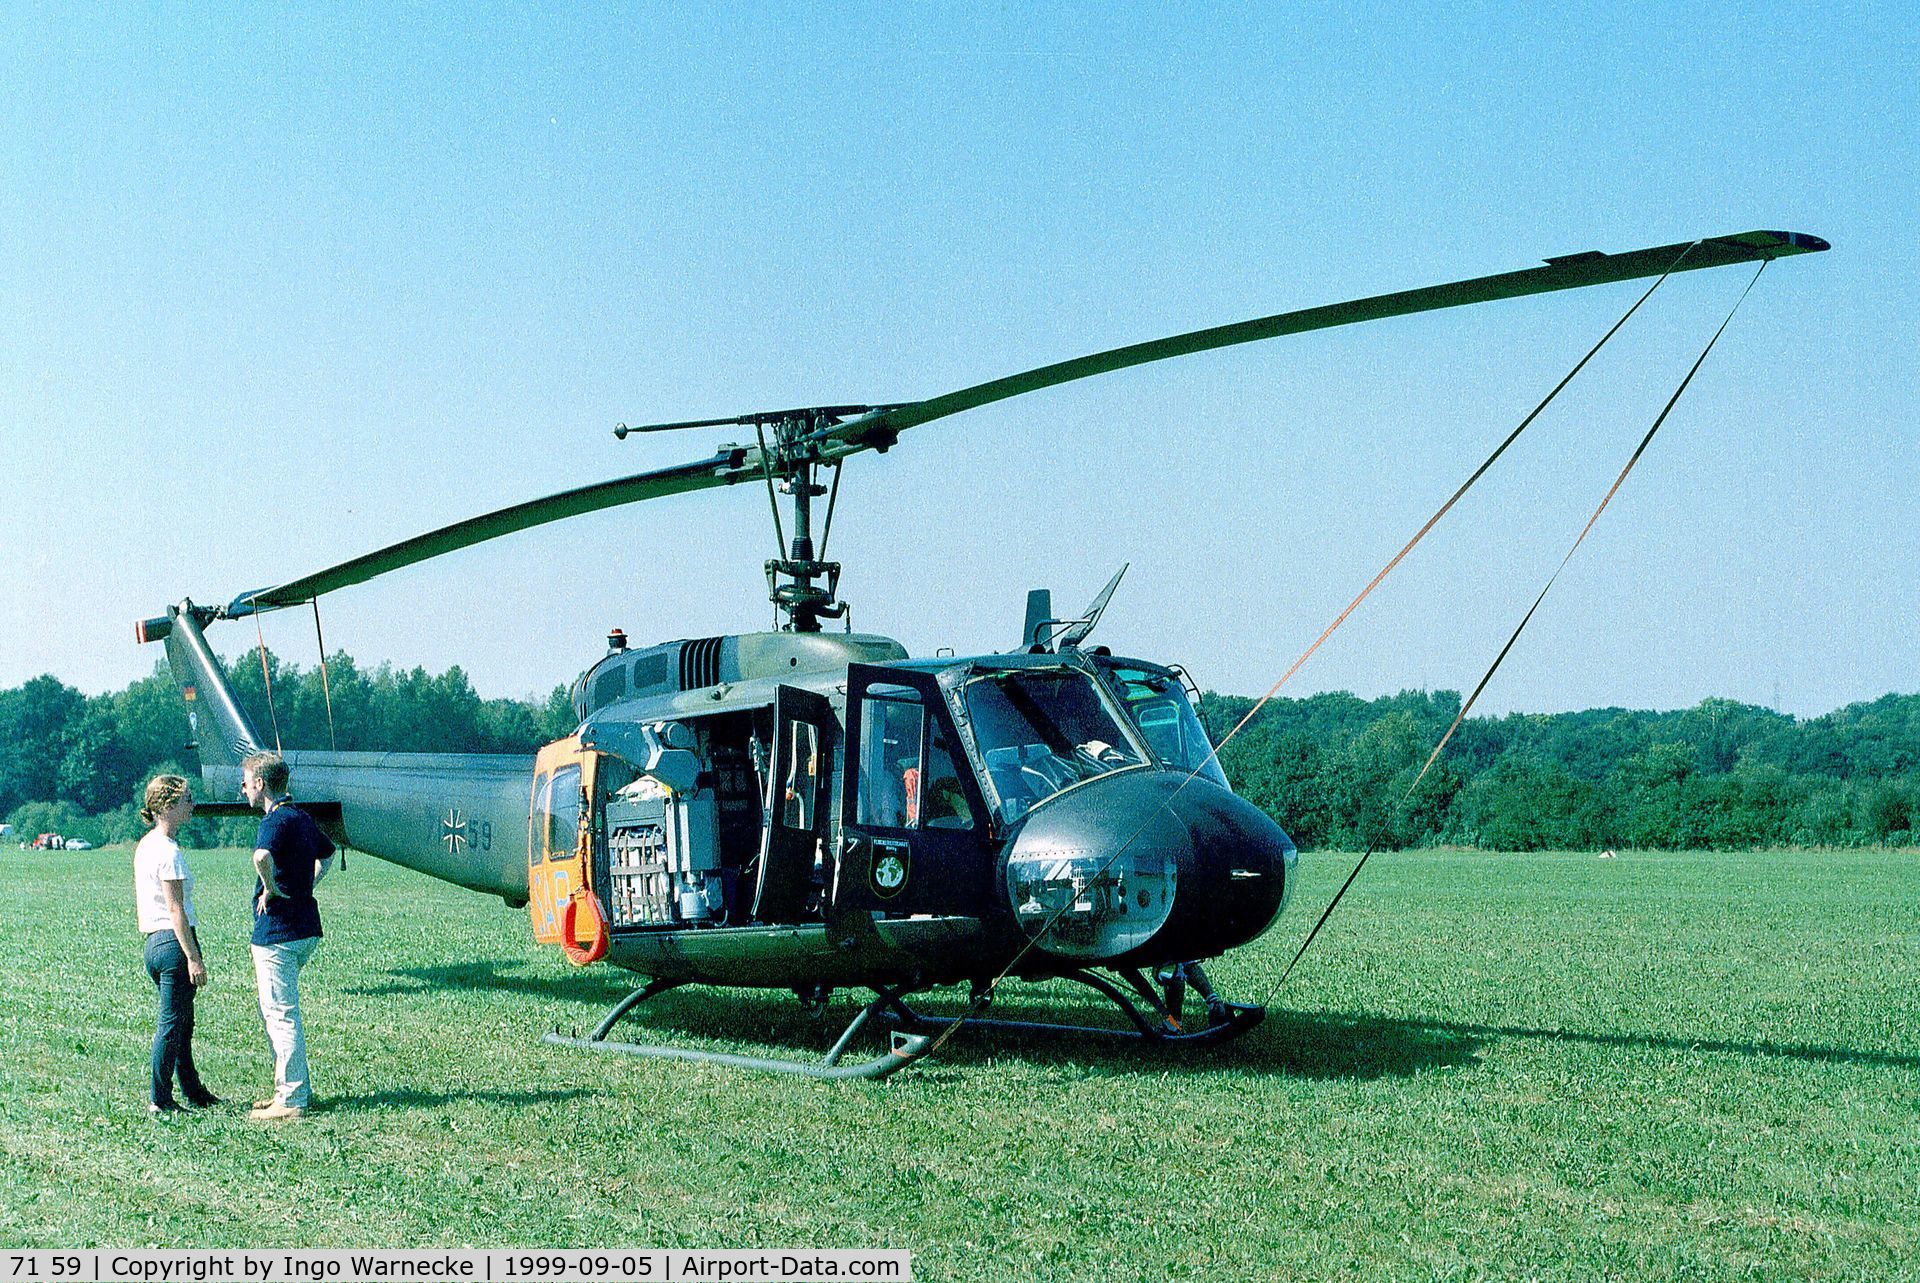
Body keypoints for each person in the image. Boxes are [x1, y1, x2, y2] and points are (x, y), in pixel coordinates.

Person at [240, 751, 335, 1122]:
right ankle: (287, 1088)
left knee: (280, 1014)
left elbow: (261, 856)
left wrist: (272, 888)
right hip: (304, 929)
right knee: (280, 1011)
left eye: (246, 782)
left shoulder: (274, 820)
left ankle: (292, 1099)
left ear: (261, 784)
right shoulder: (302, 818)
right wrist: (309, 884)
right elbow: (327, 856)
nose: (243, 788)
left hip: (277, 933)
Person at [133, 774, 218, 1114]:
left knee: (182, 1022)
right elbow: (175, 908)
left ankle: (194, 1092)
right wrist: (193, 957)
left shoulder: (146, 845)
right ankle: (160, 1099)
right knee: (171, 1024)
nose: (192, 806)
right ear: (167, 806)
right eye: (187, 800)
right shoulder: (169, 851)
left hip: (154, 944)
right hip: (173, 943)